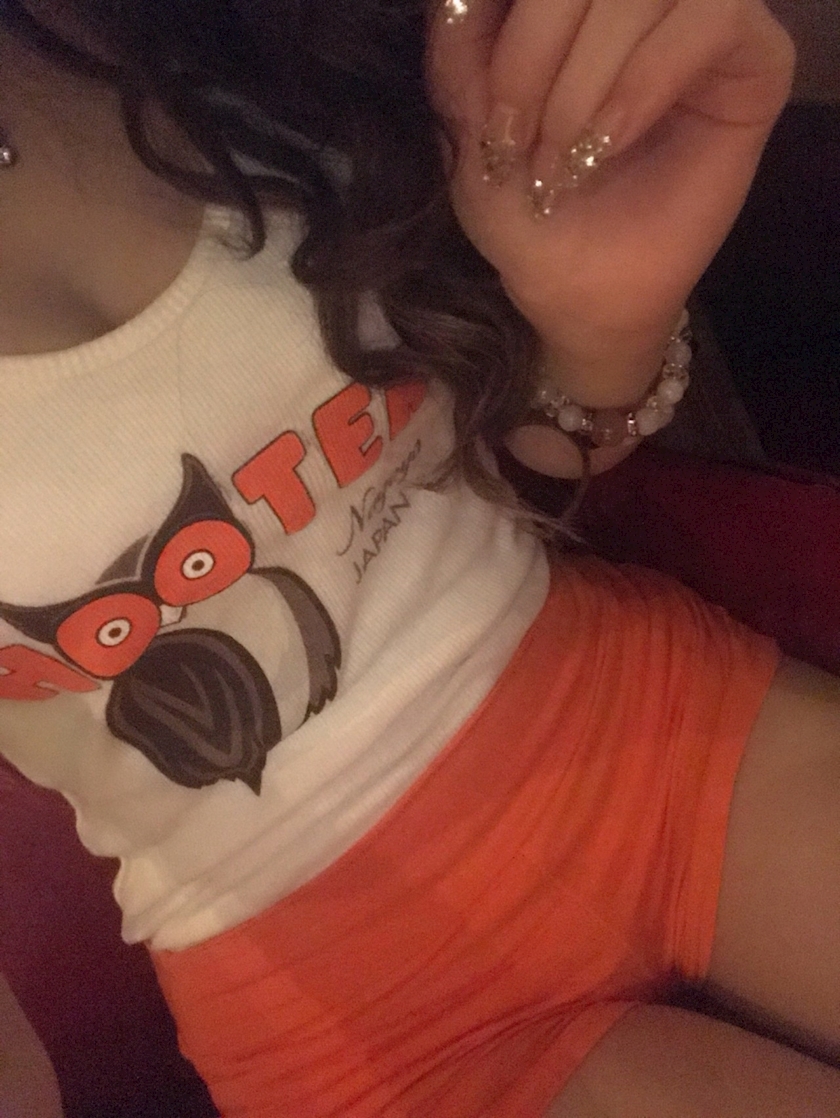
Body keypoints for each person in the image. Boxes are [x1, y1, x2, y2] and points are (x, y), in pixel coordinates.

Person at [0, 1, 837, 1115]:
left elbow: (530, 459)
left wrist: (606, 323)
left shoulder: (250, 34)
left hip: (646, 720)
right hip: (359, 1019)